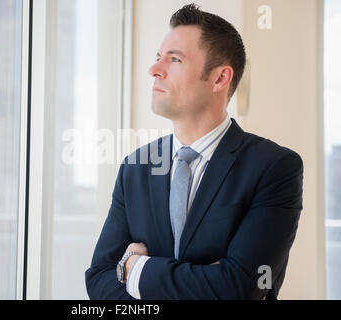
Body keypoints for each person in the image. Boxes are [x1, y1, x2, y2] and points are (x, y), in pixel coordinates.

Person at [85, 3, 303, 300]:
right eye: (157, 58)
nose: (154, 70)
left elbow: (238, 287)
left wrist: (134, 268)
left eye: (174, 59)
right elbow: (99, 278)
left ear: (219, 79)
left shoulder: (275, 167)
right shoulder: (135, 167)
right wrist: (204, 280)